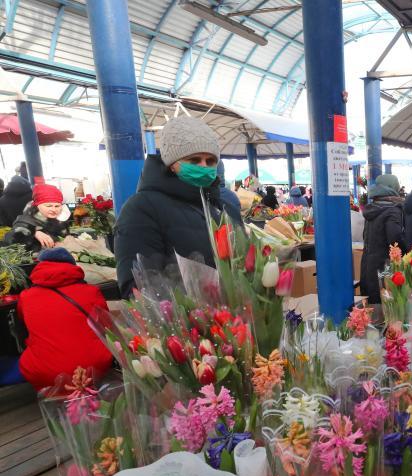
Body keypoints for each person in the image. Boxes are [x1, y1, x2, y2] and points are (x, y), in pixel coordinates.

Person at [114, 116, 239, 297]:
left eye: (210, 161)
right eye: (194, 160)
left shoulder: (222, 207)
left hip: (232, 321)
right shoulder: (141, 209)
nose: (204, 166)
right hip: (189, 321)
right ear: (172, 164)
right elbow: (138, 286)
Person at [15, 248, 113, 391]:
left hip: (47, 373)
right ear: (72, 266)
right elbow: (106, 324)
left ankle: (52, 396)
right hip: (95, 367)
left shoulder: (26, 297)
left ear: (40, 266)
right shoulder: (92, 292)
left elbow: (23, 322)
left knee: (30, 356)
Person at [360, 174, 405, 305]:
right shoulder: (392, 211)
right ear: (393, 187)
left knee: (373, 309)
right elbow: (395, 241)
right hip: (384, 269)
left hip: (368, 266)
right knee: (387, 309)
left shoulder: (372, 210)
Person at [3, 183, 69, 252]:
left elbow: (64, 236)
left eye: (57, 206)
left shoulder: (59, 220)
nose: (54, 209)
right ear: (37, 205)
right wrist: (34, 233)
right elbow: (10, 240)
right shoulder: (26, 221)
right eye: (48, 206)